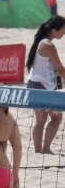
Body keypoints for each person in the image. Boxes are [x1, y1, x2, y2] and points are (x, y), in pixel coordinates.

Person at [27, 15, 65, 154]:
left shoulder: (41, 42)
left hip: (35, 84)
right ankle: (46, 149)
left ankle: (39, 150)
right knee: (57, 117)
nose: (64, 33)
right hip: (41, 86)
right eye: (63, 30)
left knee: (41, 120)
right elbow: (60, 69)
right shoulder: (48, 45)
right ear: (54, 31)